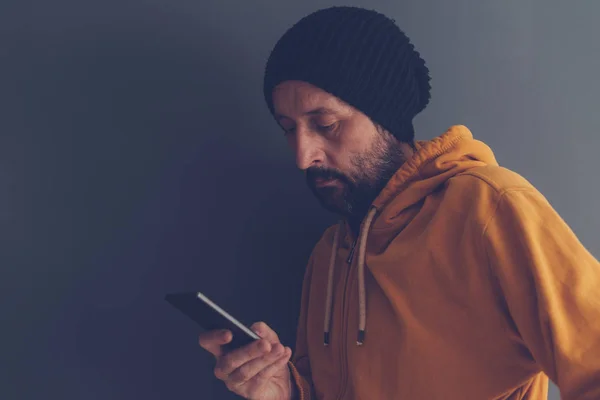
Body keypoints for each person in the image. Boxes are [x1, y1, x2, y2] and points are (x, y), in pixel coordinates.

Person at [198, 6, 600, 400]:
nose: (303, 156)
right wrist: (284, 391)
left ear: (384, 117)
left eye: (326, 125)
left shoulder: (488, 207)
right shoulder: (330, 252)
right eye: (289, 129)